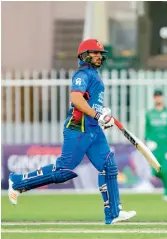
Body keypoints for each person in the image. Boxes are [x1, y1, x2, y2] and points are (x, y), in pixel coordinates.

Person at [8, 39, 136, 224]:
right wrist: (97, 114)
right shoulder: (82, 74)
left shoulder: (94, 75)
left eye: (101, 53)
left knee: (109, 166)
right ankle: (18, 182)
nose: (100, 56)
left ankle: (114, 213)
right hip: (78, 128)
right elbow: (76, 99)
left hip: (93, 128)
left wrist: (103, 112)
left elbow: (91, 102)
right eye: (95, 53)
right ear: (85, 55)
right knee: (63, 171)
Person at [145, 89, 167, 201]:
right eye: (156, 96)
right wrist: (147, 141)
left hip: (166, 145)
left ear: (162, 97)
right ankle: (166, 189)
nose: (158, 98)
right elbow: (147, 129)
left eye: (160, 96)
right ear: (154, 98)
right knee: (154, 170)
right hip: (154, 146)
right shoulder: (149, 114)